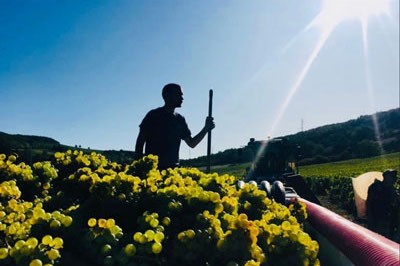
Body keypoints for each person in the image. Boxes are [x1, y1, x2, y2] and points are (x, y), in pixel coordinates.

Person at [135, 83, 215, 170]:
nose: (182, 98)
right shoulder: (153, 115)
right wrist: (140, 167)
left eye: (181, 95)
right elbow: (140, 143)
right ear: (167, 96)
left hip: (173, 171)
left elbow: (191, 143)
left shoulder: (180, 120)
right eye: (178, 94)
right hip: (153, 171)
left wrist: (206, 129)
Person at [366, 169, 399, 240]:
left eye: (395, 177)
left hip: (389, 220)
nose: (395, 179)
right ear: (386, 177)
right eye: (393, 177)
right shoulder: (375, 187)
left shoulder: (392, 189)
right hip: (377, 218)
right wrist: (370, 218)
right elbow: (369, 203)